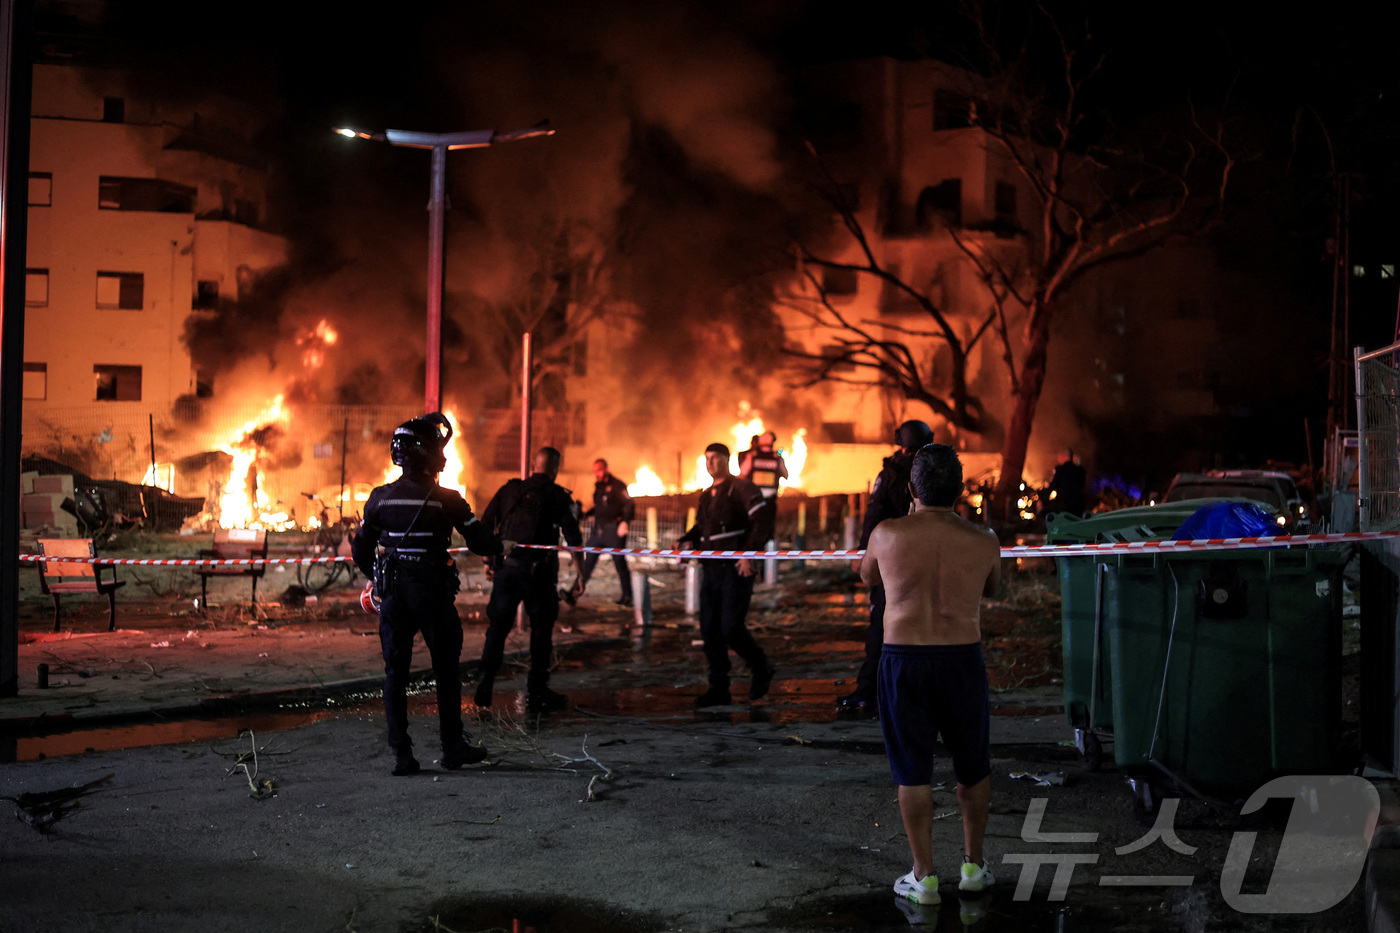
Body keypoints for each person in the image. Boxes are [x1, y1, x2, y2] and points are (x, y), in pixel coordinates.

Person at [860, 443, 1001, 904]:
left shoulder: (886, 534)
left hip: (904, 660)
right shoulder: (985, 540)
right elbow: (994, 586)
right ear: (960, 490)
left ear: (911, 488)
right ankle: (974, 867)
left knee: (912, 773)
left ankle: (924, 877)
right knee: (972, 767)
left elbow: (867, 577)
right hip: (961, 658)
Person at [351, 413, 506, 776]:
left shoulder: (379, 499)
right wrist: (501, 545)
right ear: (426, 454)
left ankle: (402, 756)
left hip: (395, 596)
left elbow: (361, 550)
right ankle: (452, 747)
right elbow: (482, 543)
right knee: (447, 671)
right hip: (433, 593)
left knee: (395, 673)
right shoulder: (447, 500)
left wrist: (378, 580)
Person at [475, 446, 583, 712]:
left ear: (534, 464)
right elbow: (574, 537)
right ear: (555, 468)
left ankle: (485, 685)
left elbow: (485, 524)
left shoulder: (509, 490)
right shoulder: (557, 495)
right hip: (540, 574)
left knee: (497, 630)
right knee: (541, 632)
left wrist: (490, 561)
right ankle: (537, 690)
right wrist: (581, 574)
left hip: (507, 571)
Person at [839, 419, 934, 714]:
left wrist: (864, 554)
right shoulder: (933, 471)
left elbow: (874, 515)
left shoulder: (890, 473)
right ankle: (914, 694)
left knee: (881, 626)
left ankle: (870, 691)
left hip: (889, 562)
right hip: (927, 562)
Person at [678, 442, 777, 707]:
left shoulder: (743, 488)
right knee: (709, 629)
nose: (710, 463)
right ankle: (719, 688)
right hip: (711, 570)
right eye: (706, 459)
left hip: (735, 569)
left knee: (731, 628)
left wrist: (749, 553)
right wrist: (686, 542)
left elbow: (763, 523)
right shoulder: (707, 494)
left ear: (726, 460)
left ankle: (761, 667)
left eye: (715, 458)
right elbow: (702, 529)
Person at [579, 458, 636, 608]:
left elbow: (630, 504)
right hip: (598, 531)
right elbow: (599, 508)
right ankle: (574, 592)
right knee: (587, 563)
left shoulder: (617, 485)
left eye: (599, 470)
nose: (596, 474)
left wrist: (625, 522)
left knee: (620, 564)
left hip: (613, 531)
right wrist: (585, 515)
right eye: (595, 471)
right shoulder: (598, 487)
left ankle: (628, 596)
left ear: (605, 469)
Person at [739, 430, 788, 529]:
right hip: (769, 499)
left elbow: (743, 474)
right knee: (767, 526)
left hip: (753, 498)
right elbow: (785, 475)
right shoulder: (777, 457)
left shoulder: (752, 456)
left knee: (752, 526)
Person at [1046, 447, 1086, 517]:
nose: (1058, 458)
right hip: (1077, 507)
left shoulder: (1060, 470)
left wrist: (1043, 499)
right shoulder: (1080, 470)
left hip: (1063, 507)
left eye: (1060, 456)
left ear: (1066, 456)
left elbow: (1052, 486)